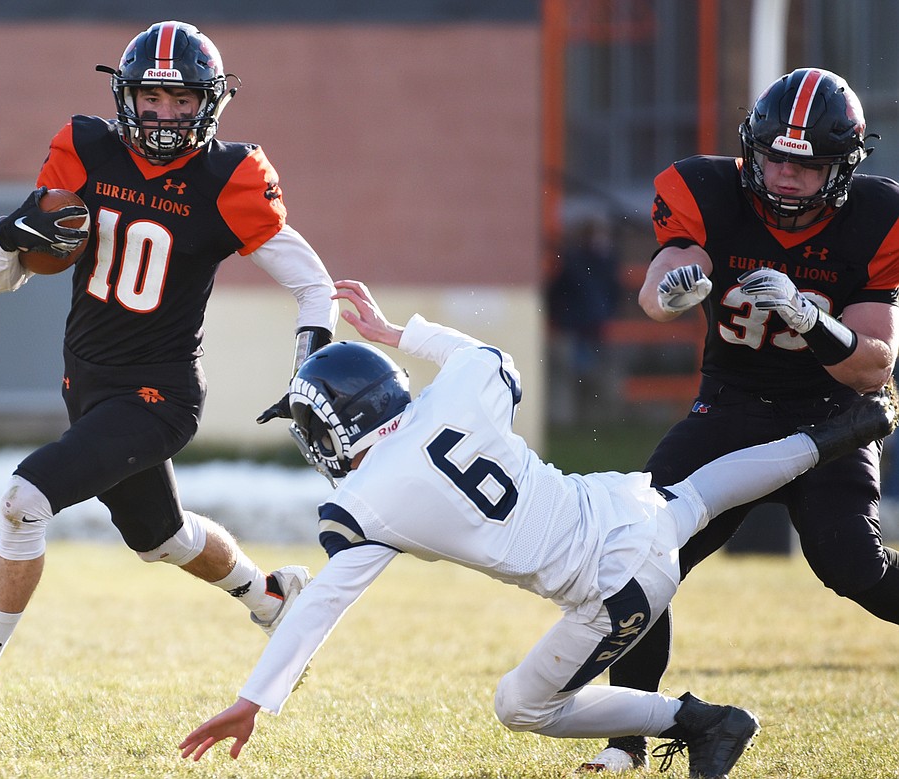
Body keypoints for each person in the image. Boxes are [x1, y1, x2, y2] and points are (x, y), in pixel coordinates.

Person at [177, 279, 898, 779]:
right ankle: (846, 429)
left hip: (616, 585)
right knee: (699, 495)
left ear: (336, 423)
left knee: (521, 705)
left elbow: (325, 601)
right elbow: (488, 358)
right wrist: (401, 331)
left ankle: (701, 719)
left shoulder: (367, 500)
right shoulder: (455, 395)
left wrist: (254, 699)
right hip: (626, 506)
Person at [0, 20, 337, 723]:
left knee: (24, 498)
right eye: (152, 98)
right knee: (162, 536)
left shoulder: (230, 177)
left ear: (210, 103)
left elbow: (316, 286)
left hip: (160, 394)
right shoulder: (85, 149)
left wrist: (311, 370)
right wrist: (12, 230)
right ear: (126, 96)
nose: (165, 115)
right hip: (87, 382)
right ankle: (274, 597)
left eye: (182, 100)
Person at [580, 67, 899, 773]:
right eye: (775, 158)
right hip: (730, 405)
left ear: (841, 167)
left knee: (853, 562)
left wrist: (809, 319)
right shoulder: (707, 189)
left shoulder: (878, 215)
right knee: (642, 548)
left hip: (831, 418)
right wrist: (673, 288)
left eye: (806, 164)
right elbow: (663, 281)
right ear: (751, 150)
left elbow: (873, 365)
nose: (785, 177)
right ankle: (627, 737)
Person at [546, 215, 623, 422]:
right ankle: (593, 420)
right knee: (583, 378)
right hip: (585, 327)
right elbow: (612, 293)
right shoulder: (601, 262)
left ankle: (575, 420)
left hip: (582, 327)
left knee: (576, 378)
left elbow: (556, 292)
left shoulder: (577, 260)